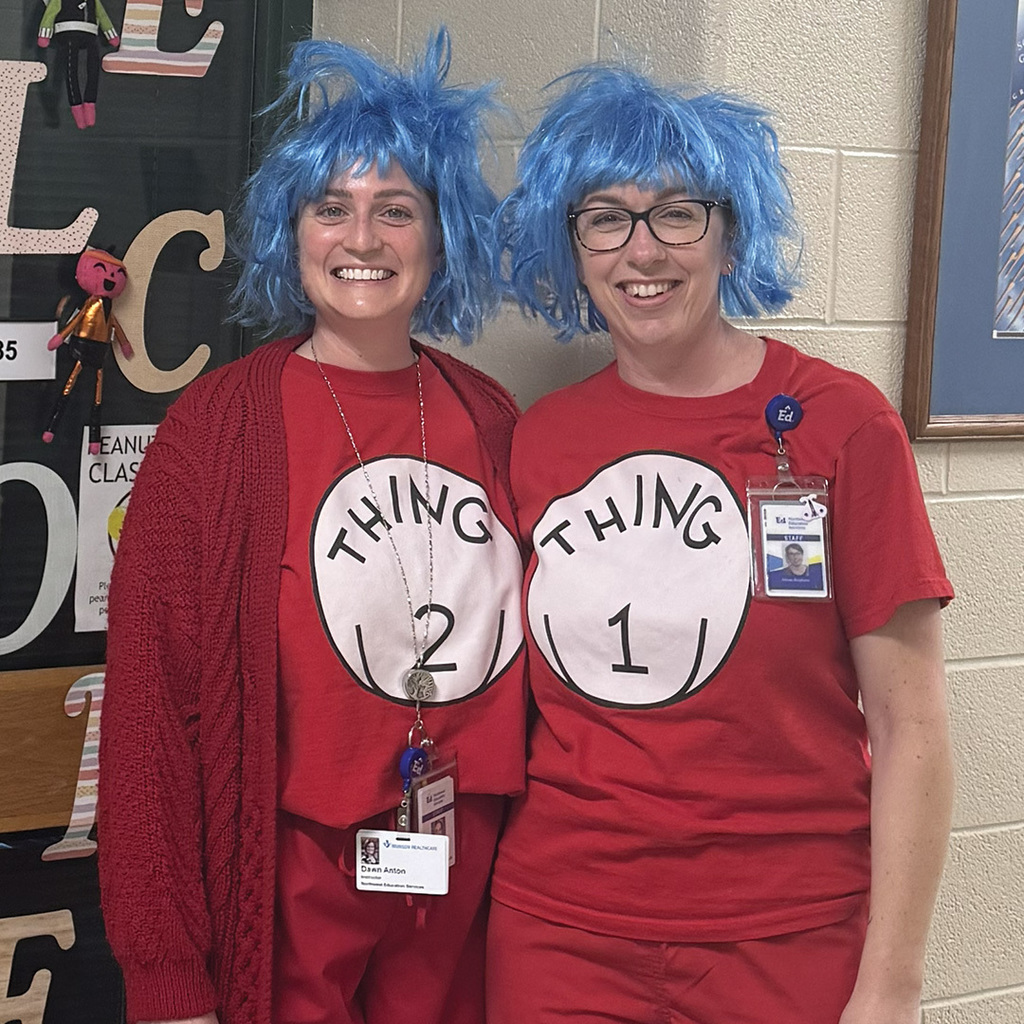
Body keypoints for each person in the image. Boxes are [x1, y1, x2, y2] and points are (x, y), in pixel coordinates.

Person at [486, 65, 954, 1024]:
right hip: (560, 930)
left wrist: (892, 984)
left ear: (729, 231)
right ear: (571, 248)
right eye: (604, 218)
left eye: (676, 214)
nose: (641, 249)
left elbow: (914, 731)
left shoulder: (843, 426)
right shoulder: (540, 439)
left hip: (787, 937)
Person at [98, 31, 527, 1024]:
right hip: (291, 867)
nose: (362, 238)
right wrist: (165, 979)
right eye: (330, 208)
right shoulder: (215, 431)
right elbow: (151, 721)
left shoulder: (495, 418)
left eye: (395, 210)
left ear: (441, 233)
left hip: (466, 865)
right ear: (292, 233)